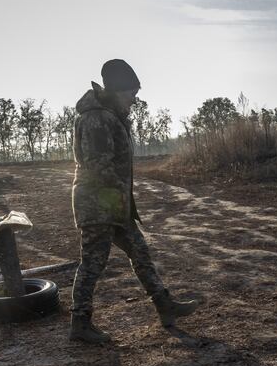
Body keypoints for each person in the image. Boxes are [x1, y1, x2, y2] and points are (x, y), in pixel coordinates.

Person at [69, 59, 198, 344]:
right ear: (115, 90)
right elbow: (98, 165)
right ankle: (80, 322)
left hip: (113, 203)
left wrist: (122, 202)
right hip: (98, 203)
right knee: (93, 262)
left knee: (140, 252)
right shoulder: (96, 118)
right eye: (130, 93)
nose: (134, 98)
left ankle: (165, 306)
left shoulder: (111, 115)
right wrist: (116, 198)